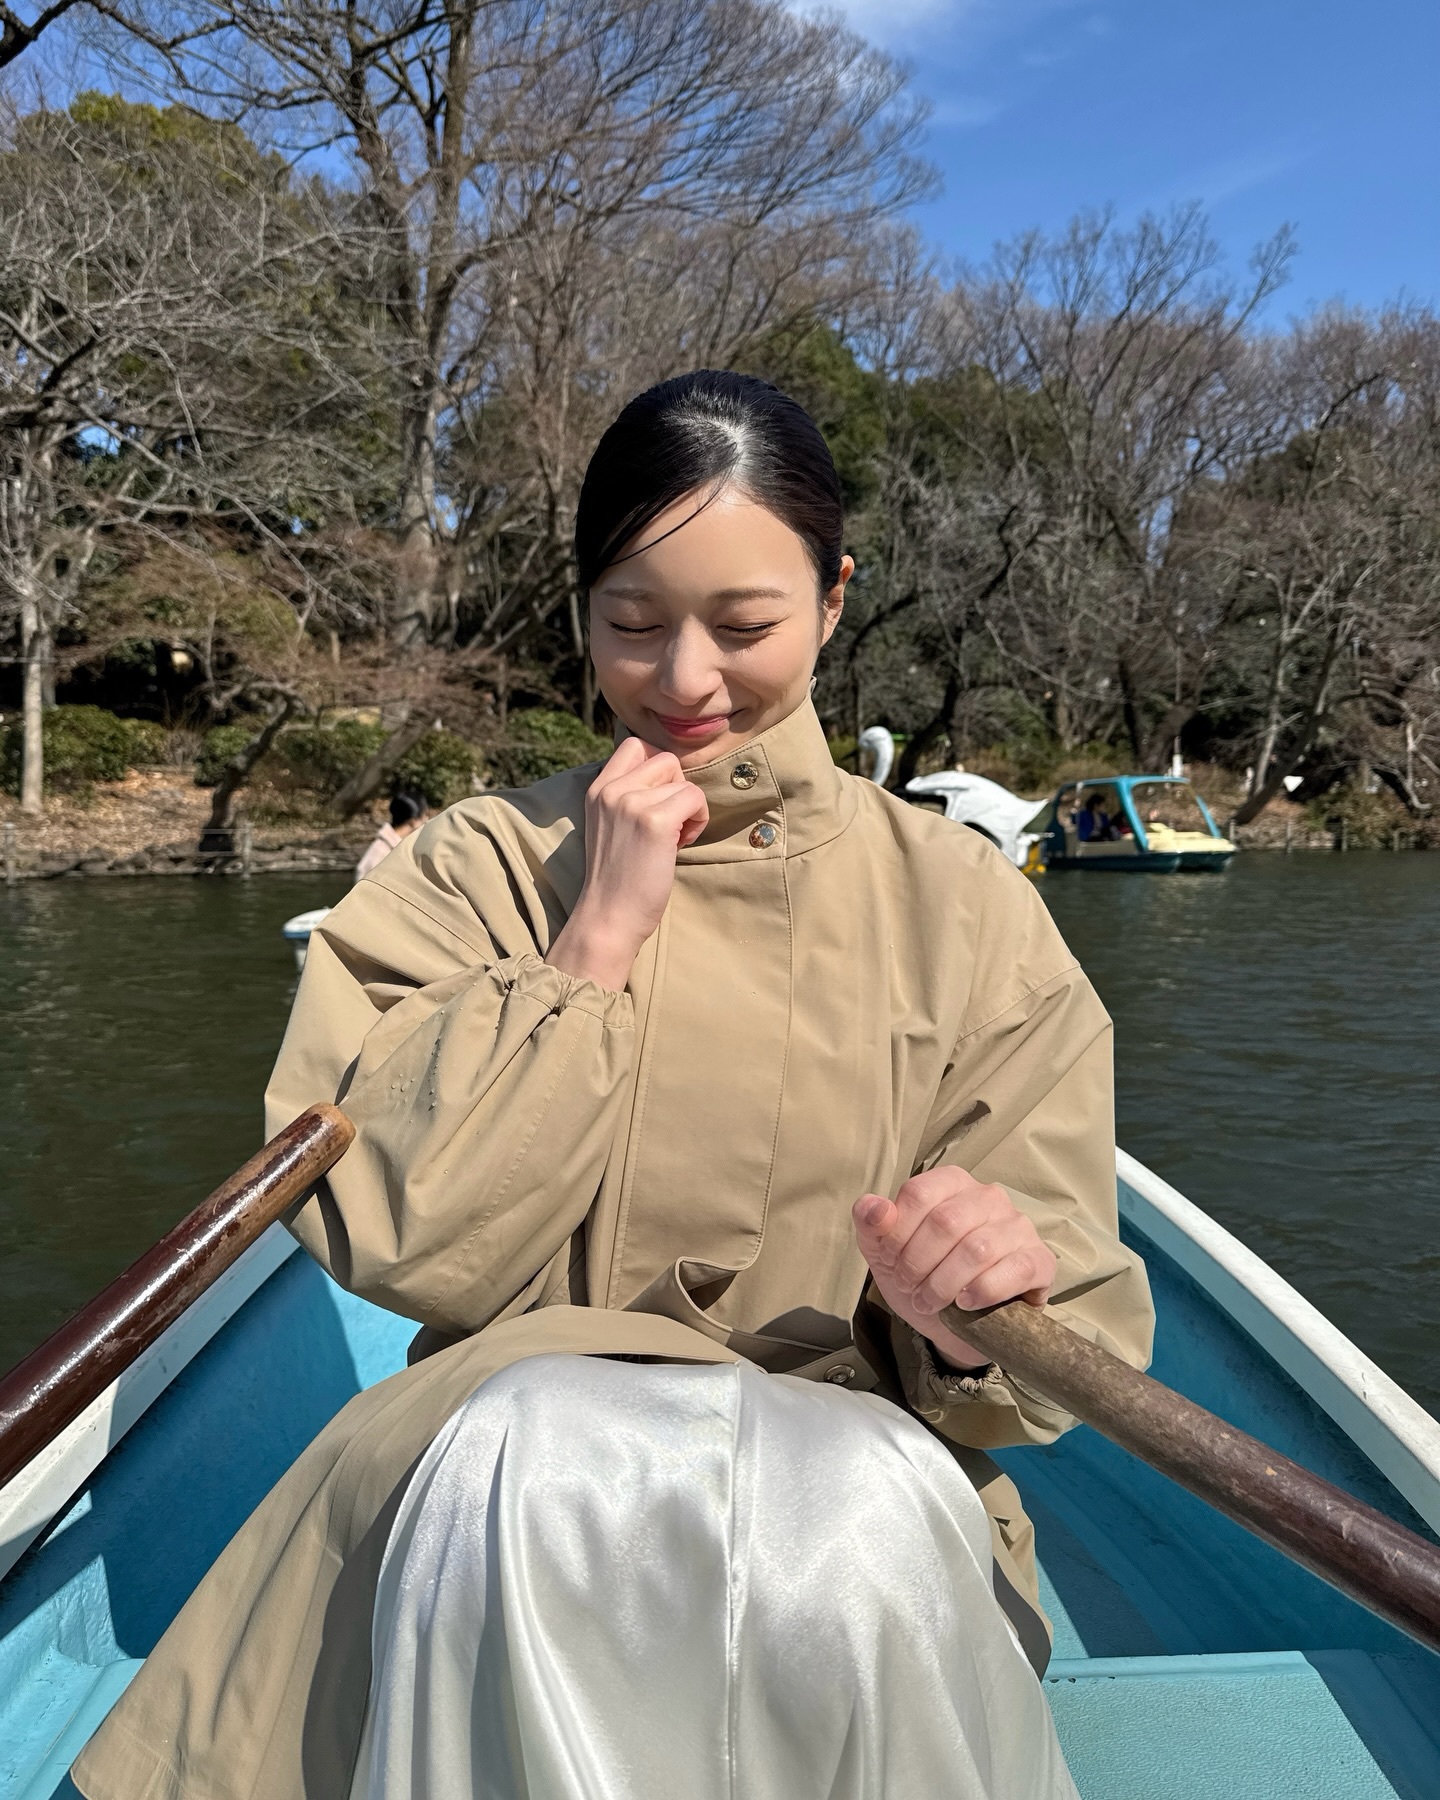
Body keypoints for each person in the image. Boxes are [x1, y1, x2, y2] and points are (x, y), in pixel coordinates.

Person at [74, 372, 1153, 1800]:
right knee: (538, 1463)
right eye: (633, 623)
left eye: (746, 625)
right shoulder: (472, 868)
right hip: (506, 1457)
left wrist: (972, 1316)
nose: (685, 680)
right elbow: (392, 1230)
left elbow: (1068, 1324)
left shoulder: (970, 906)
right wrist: (592, 947)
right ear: (581, 610)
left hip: (865, 1466)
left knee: (855, 1517)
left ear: (834, 600)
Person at [354, 791, 427, 883]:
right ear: (414, 821)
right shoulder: (381, 853)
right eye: (425, 816)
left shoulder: (402, 847)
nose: (426, 820)